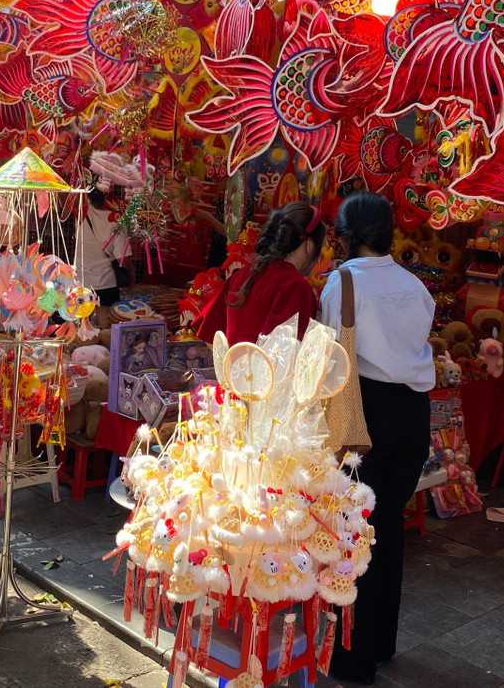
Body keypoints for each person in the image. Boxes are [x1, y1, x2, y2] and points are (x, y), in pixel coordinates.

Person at [317, 191, 436, 685]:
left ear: (343, 236)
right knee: (387, 526)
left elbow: (327, 358)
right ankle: (382, 644)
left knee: (351, 532)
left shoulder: (341, 282)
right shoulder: (414, 284)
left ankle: (352, 656)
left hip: (362, 412)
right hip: (412, 412)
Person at [195, 201, 326, 345]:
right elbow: (289, 359)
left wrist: (231, 365)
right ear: (309, 245)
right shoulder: (295, 286)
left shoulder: (242, 275)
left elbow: (210, 334)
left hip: (234, 366)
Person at [79, 188, 130, 323]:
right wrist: (130, 275)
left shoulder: (81, 212)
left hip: (81, 282)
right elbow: (123, 258)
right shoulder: (117, 221)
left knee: (83, 327)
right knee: (107, 328)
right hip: (107, 284)